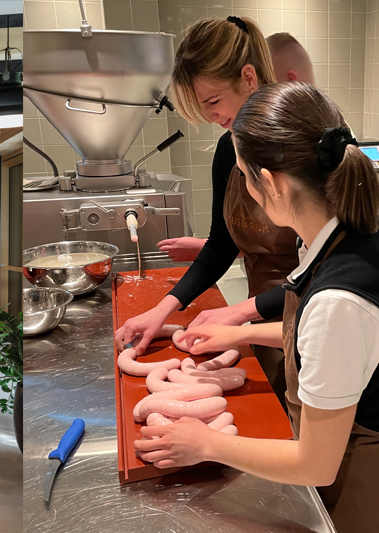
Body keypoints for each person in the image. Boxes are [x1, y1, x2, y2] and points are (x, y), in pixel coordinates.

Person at [135, 82, 379, 532]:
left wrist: (205, 443)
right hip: (372, 462)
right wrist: (240, 332)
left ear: (272, 184)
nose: (244, 188)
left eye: (243, 176)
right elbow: (336, 348)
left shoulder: (340, 301)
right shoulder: (353, 230)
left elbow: (314, 463)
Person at [116, 16, 303, 394]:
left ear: (248, 78)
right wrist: (162, 310)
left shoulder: (302, 142)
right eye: (204, 108)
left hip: (313, 314)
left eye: (214, 102)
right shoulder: (229, 148)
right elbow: (222, 245)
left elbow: (326, 270)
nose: (211, 117)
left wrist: (237, 313)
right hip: (264, 311)